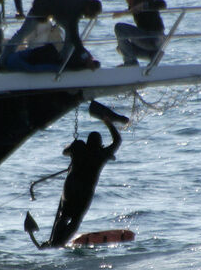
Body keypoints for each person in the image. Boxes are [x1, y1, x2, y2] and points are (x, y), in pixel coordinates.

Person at [25, 101, 127, 248]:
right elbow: (118, 140)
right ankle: (59, 243)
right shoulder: (102, 154)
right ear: (100, 144)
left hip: (70, 188)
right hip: (84, 192)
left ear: (87, 142)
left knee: (64, 215)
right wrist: (107, 122)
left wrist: (73, 146)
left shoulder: (79, 147)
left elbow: (64, 152)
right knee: (76, 219)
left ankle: (53, 241)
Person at [0, 0, 103, 71]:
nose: (90, 17)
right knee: (23, 33)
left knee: (70, 35)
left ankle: (64, 60)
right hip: (41, 5)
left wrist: (84, 54)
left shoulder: (86, 0)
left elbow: (73, 34)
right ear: (88, 8)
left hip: (59, 10)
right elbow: (75, 36)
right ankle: (2, 62)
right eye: (91, 15)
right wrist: (85, 56)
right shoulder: (75, 8)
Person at [112, 0, 167, 66]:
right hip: (152, 42)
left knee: (119, 28)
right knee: (120, 48)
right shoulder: (134, 5)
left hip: (153, 38)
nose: (128, 1)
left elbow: (162, 4)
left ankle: (131, 63)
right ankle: (153, 56)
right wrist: (123, 13)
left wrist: (144, 6)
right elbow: (132, 10)